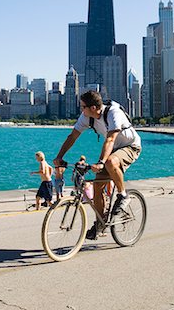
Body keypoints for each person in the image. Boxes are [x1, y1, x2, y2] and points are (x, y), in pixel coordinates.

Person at [53, 90, 141, 240]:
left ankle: (123, 195)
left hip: (130, 146)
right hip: (112, 150)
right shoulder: (87, 117)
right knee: (97, 186)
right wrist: (59, 157)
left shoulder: (113, 113)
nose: (81, 110)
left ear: (92, 108)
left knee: (110, 161)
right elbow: (72, 136)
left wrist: (101, 162)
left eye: (82, 107)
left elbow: (110, 140)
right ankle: (100, 223)